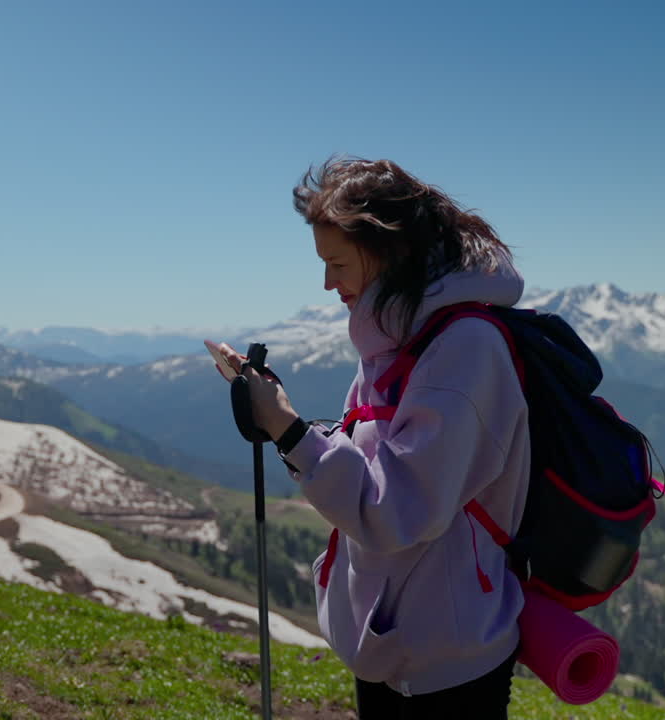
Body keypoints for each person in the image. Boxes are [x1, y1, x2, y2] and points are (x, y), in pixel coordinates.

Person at [212, 157, 530, 719]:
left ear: (387, 253)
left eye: (337, 263)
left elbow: (395, 512)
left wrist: (287, 431)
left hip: (447, 656)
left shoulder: (463, 349)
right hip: (396, 638)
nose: (328, 283)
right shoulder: (395, 335)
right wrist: (281, 412)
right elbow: (368, 447)